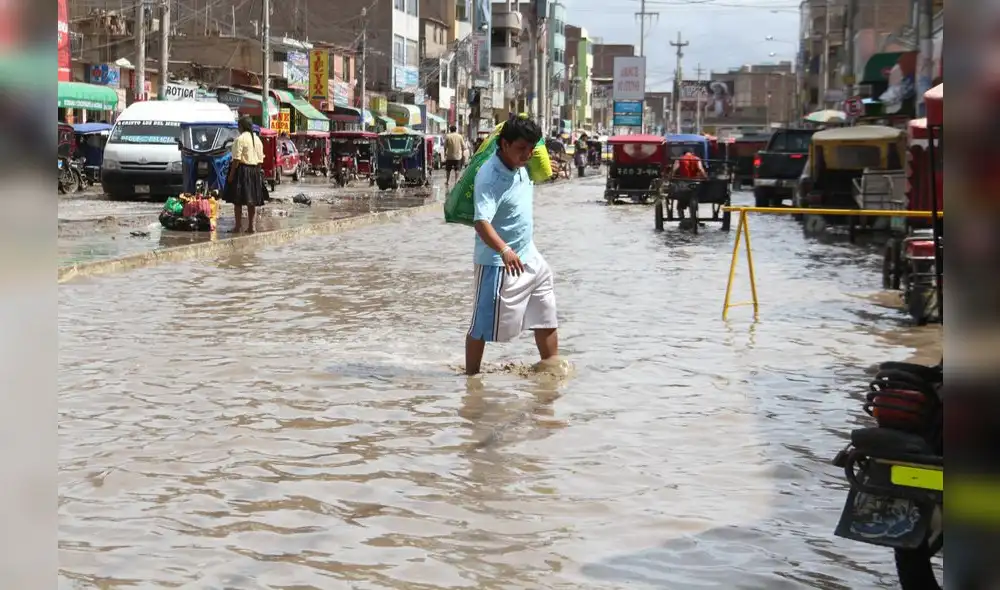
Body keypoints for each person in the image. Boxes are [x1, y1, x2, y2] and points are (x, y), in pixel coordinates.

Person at [466, 116, 558, 376]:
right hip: (498, 262)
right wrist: (504, 250)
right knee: (481, 327)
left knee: (546, 316)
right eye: (521, 149)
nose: (527, 155)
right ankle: (470, 381)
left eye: (531, 149)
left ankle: (552, 374)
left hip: (530, 255)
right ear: (504, 144)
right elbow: (481, 222)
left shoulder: (523, 166)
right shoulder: (490, 176)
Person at [224, 115, 268, 233]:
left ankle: (238, 227)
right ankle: (251, 227)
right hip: (255, 171)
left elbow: (236, 159)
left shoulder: (240, 139)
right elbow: (260, 160)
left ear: (241, 126)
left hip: (242, 171)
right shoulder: (257, 139)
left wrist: (231, 175)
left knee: (237, 201)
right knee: (251, 201)